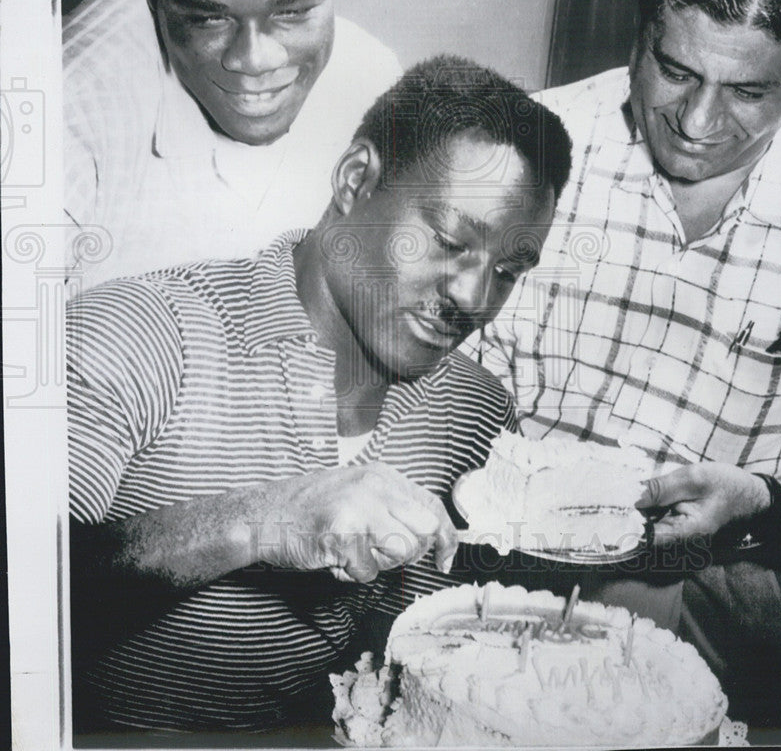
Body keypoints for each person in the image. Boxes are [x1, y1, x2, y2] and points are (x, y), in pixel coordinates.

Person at [471, 0, 781, 728]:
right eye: (672, 69)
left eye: (746, 91)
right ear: (639, 21)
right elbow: (429, 392)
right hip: (499, 576)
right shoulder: (529, 150)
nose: (695, 124)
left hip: (737, 595)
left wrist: (764, 502)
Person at [67, 55, 572, 733]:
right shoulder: (140, 332)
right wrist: (257, 521)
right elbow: (23, 604)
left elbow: (401, 681)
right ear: (356, 179)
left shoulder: (473, 415)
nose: (474, 298)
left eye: (508, 271)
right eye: (450, 241)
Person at [64, 0, 402, 289]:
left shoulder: (376, 83)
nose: (255, 59)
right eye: (208, 19)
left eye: (294, 11)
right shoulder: (76, 90)